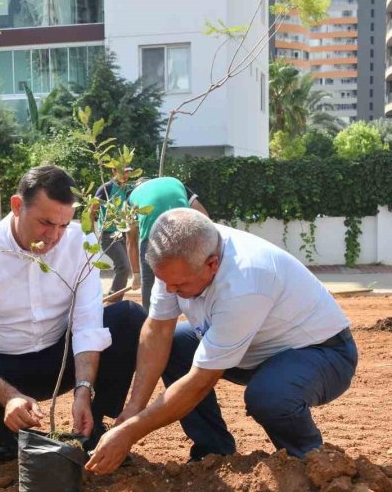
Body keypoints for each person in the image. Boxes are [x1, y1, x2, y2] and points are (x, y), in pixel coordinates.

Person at [86, 209, 357, 475]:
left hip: (322, 353)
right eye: (164, 281)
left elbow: (200, 381)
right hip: (253, 349)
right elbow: (157, 330)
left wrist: (129, 432)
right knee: (177, 346)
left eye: (178, 285)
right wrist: (134, 408)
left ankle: (311, 464)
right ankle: (212, 452)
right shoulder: (179, 259)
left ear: (212, 264)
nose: (170, 290)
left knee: (269, 396)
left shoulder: (244, 281)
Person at [0, 166, 147, 465]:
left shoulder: (80, 242)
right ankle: (16, 440)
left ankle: (92, 429)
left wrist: (84, 391)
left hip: (58, 357)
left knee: (128, 318)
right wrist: (8, 397)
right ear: (17, 206)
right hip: (1, 365)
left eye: (63, 225)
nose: (55, 236)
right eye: (45, 223)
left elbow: (87, 323)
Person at [127, 176, 208, 310]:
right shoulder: (175, 182)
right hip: (186, 230)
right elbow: (203, 214)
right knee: (192, 273)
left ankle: (149, 317)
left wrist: (136, 273)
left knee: (149, 281)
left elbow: (131, 240)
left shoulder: (131, 197)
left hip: (151, 236)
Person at [89, 166, 138, 300]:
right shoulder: (107, 188)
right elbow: (92, 209)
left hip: (123, 234)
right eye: (123, 171)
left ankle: (115, 299)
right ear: (114, 172)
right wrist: (91, 233)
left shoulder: (127, 189)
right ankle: (113, 300)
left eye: (128, 171)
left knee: (124, 268)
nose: (126, 174)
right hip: (108, 235)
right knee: (123, 267)